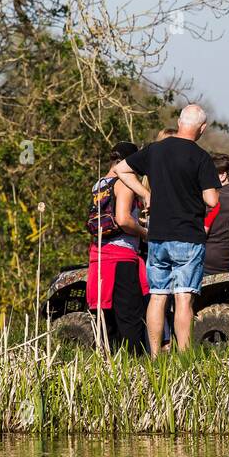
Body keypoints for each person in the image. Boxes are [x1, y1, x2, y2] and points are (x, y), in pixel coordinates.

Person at [114, 104, 220, 355]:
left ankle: (154, 355)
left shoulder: (155, 150)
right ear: (202, 128)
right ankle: (183, 356)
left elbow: (121, 170)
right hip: (188, 236)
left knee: (158, 295)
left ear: (180, 121)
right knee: (184, 297)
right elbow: (212, 200)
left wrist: (145, 193)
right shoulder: (201, 157)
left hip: (158, 236)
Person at [85, 141, 149, 354]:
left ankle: (107, 365)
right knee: (130, 318)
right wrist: (145, 233)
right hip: (121, 258)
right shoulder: (124, 183)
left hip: (99, 257)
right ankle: (134, 367)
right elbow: (122, 220)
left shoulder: (99, 185)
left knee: (105, 317)